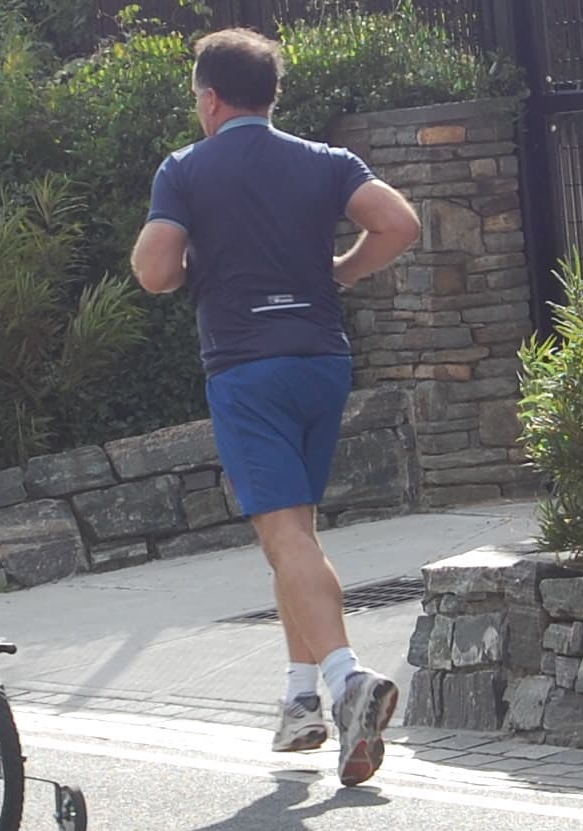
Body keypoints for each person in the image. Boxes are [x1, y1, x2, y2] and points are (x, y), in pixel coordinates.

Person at [130, 28, 420, 787]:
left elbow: (154, 271)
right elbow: (399, 224)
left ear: (210, 98)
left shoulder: (185, 169)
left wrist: (188, 262)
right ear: (272, 96)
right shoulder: (326, 160)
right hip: (322, 361)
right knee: (294, 538)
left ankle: (347, 681)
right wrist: (341, 272)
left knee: (286, 535)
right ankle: (300, 702)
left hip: (246, 368)